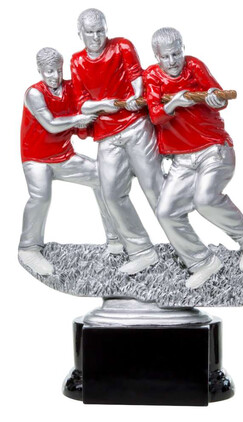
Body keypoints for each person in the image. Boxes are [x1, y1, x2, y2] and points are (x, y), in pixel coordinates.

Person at [143, 27, 243, 289]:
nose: (172, 61)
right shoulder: (152, 76)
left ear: (183, 49)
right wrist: (175, 103)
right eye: (165, 56)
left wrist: (212, 98)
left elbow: (220, 99)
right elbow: (156, 115)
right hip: (182, 160)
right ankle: (202, 262)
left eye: (176, 53)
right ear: (156, 56)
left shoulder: (194, 66)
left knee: (205, 199)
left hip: (213, 149)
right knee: (166, 211)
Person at [70, 8, 165, 274]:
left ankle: (189, 251)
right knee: (111, 193)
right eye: (90, 32)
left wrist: (135, 98)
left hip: (135, 126)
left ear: (106, 29)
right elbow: (82, 103)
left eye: (100, 30)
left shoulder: (122, 46)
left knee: (155, 188)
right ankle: (142, 251)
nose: (96, 37)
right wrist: (104, 105)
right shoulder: (77, 61)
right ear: (80, 33)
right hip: (107, 134)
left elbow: (136, 77)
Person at [19, 47, 119, 276]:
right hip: (36, 159)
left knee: (101, 178)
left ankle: (115, 240)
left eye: (58, 70)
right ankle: (28, 248)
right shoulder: (34, 94)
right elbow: (51, 124)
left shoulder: (71, 88)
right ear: (39, 71)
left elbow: (89, 105)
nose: (54, 76)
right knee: (40, 197)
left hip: (64, 156)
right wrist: (78, 119)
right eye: (48, 71)